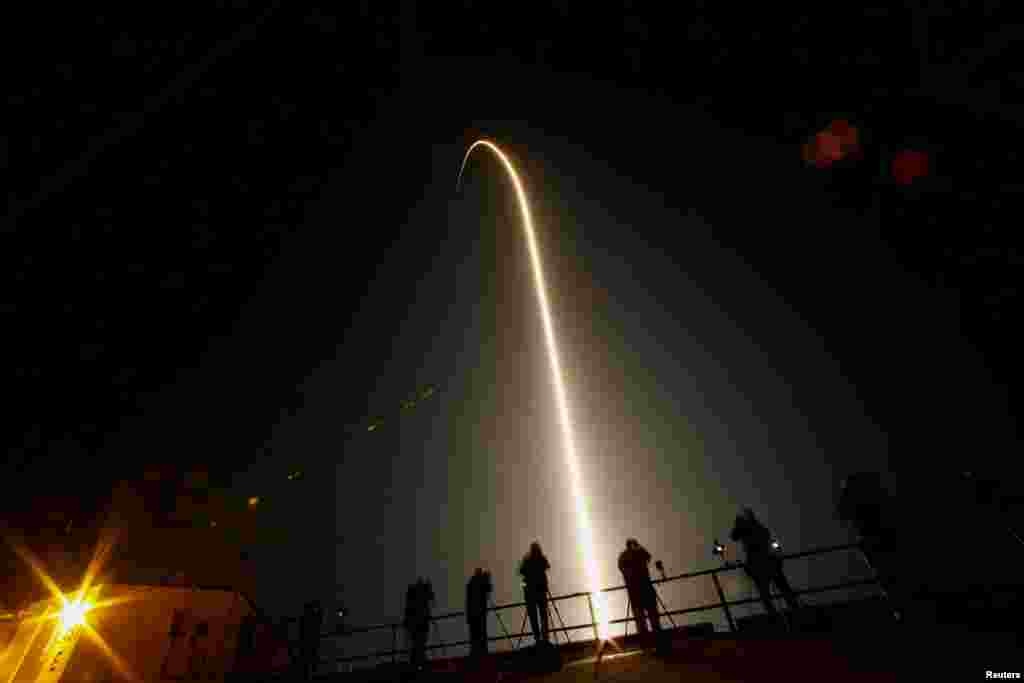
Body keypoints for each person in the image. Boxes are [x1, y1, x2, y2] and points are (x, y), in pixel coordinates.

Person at [730, 508, 801, 627]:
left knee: (773, 590)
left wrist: (740, 525)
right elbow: (734, 536)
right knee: (773, 590)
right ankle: (789, 610)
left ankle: (789, 610)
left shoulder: (755, 528)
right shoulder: (753, 528)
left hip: (762, 563)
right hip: (765, 563)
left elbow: (736, 536)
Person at [618, 539, 665, 651]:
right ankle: (655, 642)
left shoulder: (625, 556)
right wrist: (639, 547)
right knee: (651, 618)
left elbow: (647, 557)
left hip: (637, 591)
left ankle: (648, 643)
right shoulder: (632, 554)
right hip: (642, 589)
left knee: (643, 619)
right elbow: (648, 557)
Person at [518, 542, 550, 646]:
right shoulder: (540, 558)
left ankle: (539, 638)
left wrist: (524, 588)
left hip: (531, 593)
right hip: (539, 592)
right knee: (542, 615)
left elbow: (522, 573)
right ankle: (544, 638)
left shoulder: (527, 560)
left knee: (535, 617)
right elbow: (547, 566)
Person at [404, 578, 434, 670]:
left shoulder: (415, 594)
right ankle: (418, 663)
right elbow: (431, 598)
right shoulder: (422, 594)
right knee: (420, 642)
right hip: (420, 623)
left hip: (415, 624)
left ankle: (415, 662)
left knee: (417, 643)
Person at [465, 568, 493, 661]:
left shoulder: (471, 583)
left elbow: (468, 600)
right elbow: (489, 589)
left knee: (475, 633)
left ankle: (475, 651)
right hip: (479, 612)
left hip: (474, 613)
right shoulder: (478, 583)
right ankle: (482, 651)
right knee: (481, 632)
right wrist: (487, 579)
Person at [299, 600, 323, 680]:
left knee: (310, 659)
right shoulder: (310, 618)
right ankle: (311, 674)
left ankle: (310, 674)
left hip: (309, 641)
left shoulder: (305, 618)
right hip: (310, 641)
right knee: (310, 658)